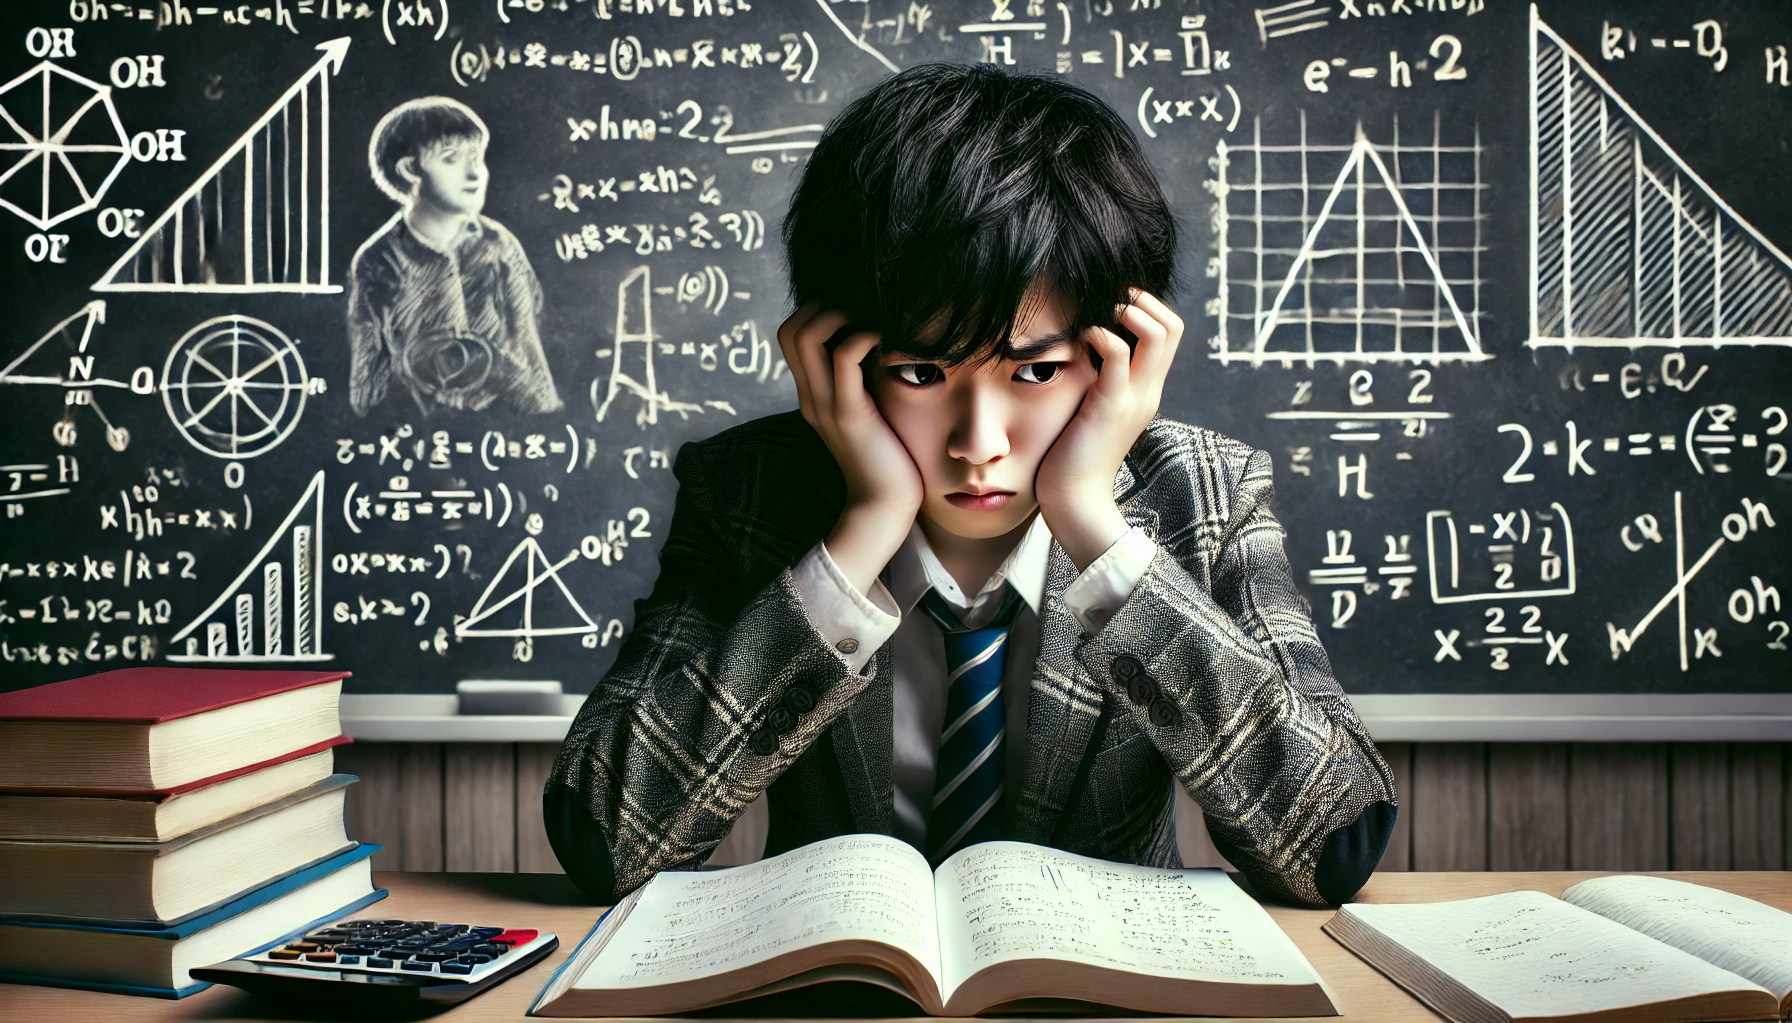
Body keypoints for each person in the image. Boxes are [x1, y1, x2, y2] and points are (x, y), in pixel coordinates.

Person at [545, 63, 1396, 909]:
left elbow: (1336, 844)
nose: (978, 445)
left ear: (1119, 358)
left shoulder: (1201, 494)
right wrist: (865, 529)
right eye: (920, 371)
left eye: (1036, 372)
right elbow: (604, 839)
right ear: (828, 354)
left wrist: (1097, 528)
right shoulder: (749, 491)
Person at [346, 96, 563, 416]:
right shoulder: (378, 261)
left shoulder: (498, 245)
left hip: (503, 427)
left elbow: (530, 351)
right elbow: (368, 381)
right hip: (419, 433)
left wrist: (501, 373)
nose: (475, 173)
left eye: (476, 157)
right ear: (410, 169)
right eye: (451, 158)